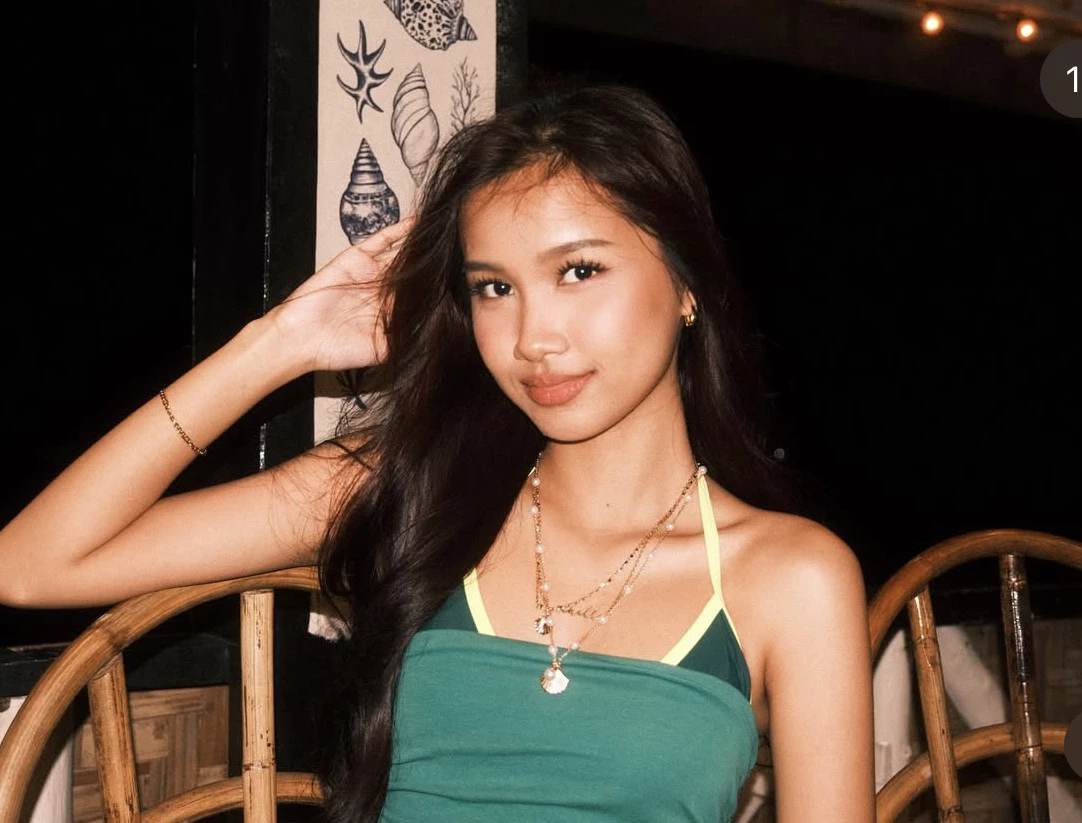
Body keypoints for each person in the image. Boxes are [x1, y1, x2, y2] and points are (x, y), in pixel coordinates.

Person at [0, 83, 874, 822]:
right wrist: (273, 345)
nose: (533, 337)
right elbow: (30, 564)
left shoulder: (791, 576)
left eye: (579, 271)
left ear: (686, 283)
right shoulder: (413, 485)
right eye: (494, 288)